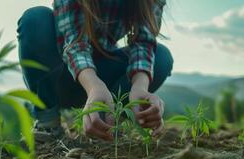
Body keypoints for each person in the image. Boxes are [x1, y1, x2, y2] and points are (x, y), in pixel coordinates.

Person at [17, 0, 173, 142]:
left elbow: (144, 44)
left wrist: (140, 88)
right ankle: (47, 122)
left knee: (162, 57)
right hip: (59, 74)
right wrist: (93, 86)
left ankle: (106, 121)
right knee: (35, 19)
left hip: (103, 79)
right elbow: (75, 44)